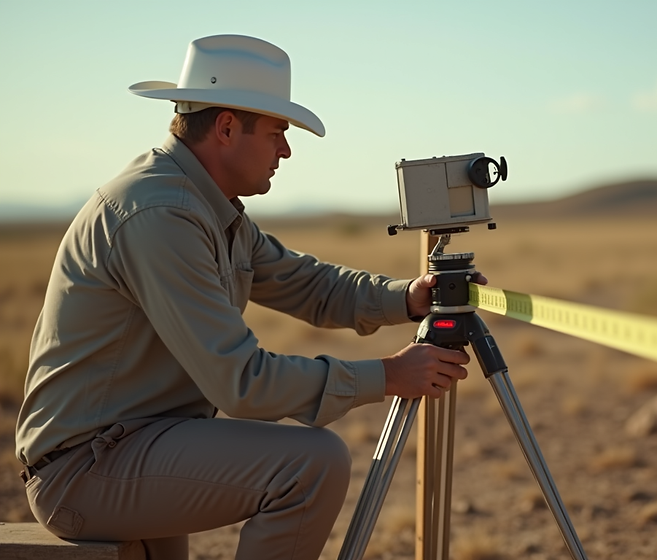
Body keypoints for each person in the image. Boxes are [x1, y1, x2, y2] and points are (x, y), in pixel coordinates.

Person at [15, 34, 478, 560]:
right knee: (312, 464)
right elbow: (241, 382)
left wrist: (408, 297)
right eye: (278, 132)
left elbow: (307, 282)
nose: (286, 150)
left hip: (141, 443)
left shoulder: (204, 205)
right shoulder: (160, 213)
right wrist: (388, 375)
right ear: (227, 127)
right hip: (87, 468)